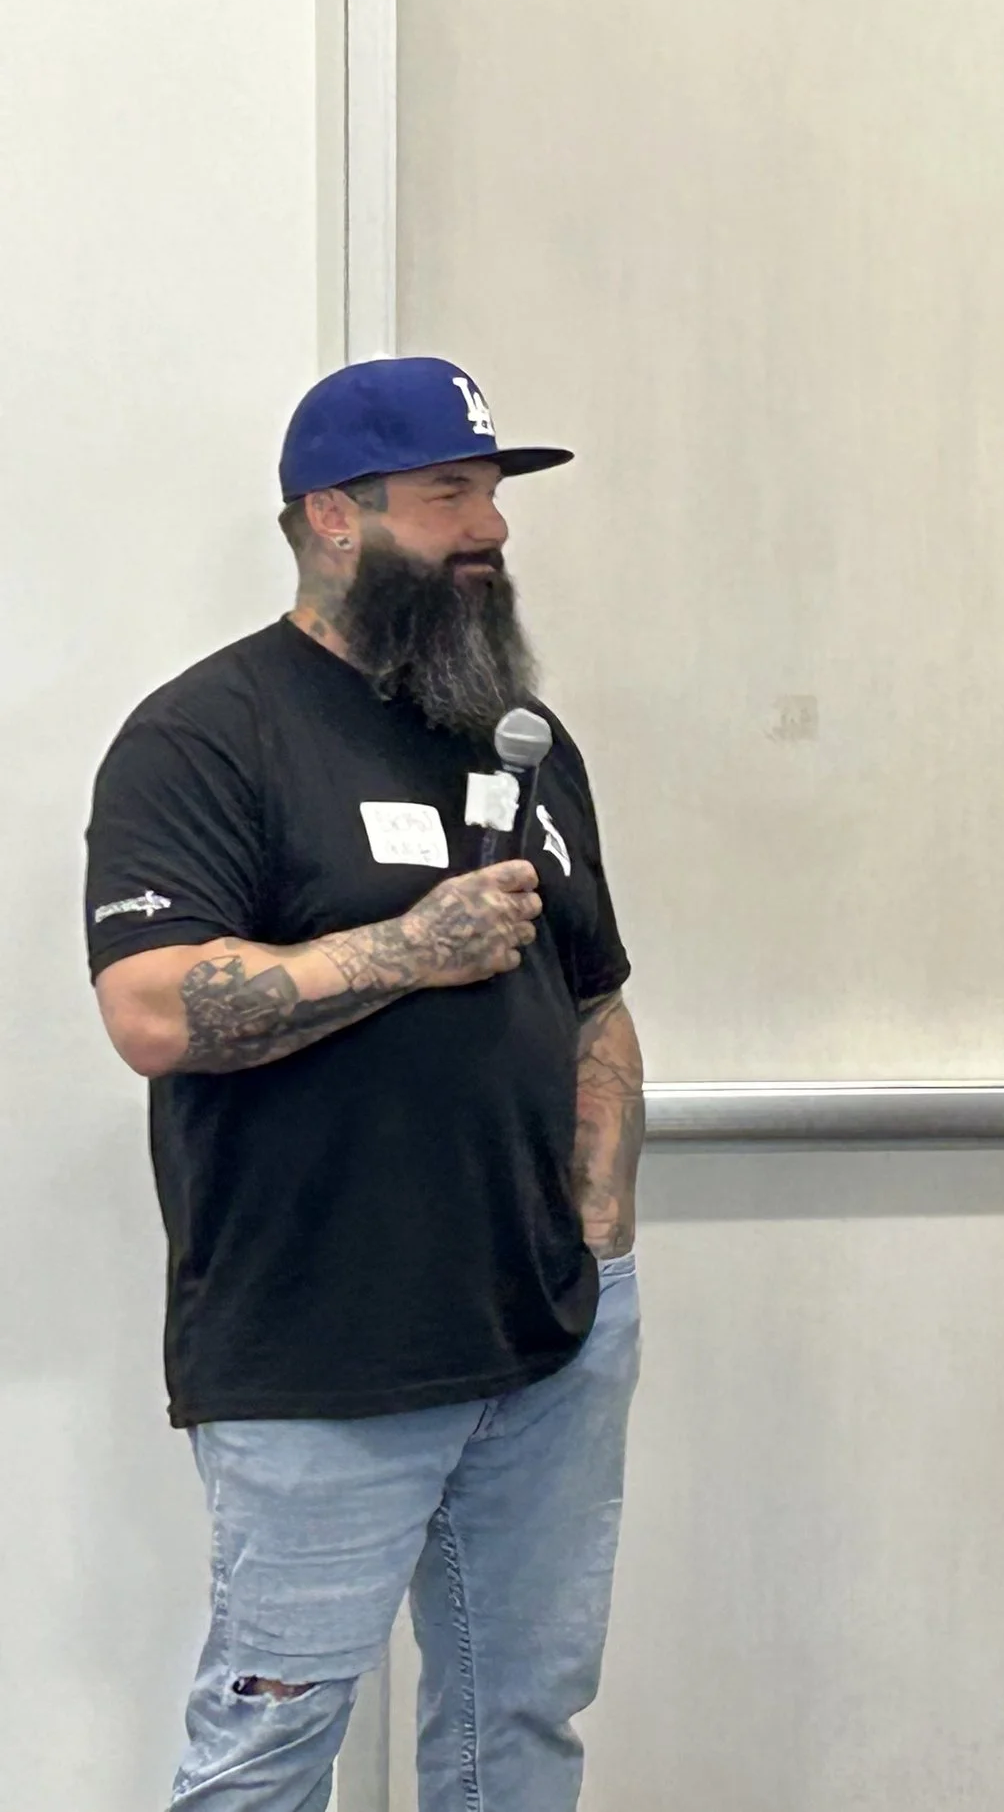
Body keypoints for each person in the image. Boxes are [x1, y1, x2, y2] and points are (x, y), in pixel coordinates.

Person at [84, 356, 645, 1811]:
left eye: (493, 495)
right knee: (271, 1748)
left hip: (545, 1342)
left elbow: (595, 999)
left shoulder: (520, 737)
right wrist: (407, 948)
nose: (491, 529)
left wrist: (600, 1235)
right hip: (319, 1350)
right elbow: (150, 1009)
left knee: (520, 1724)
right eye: (449, 495)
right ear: (335, 515)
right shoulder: (209, 734)